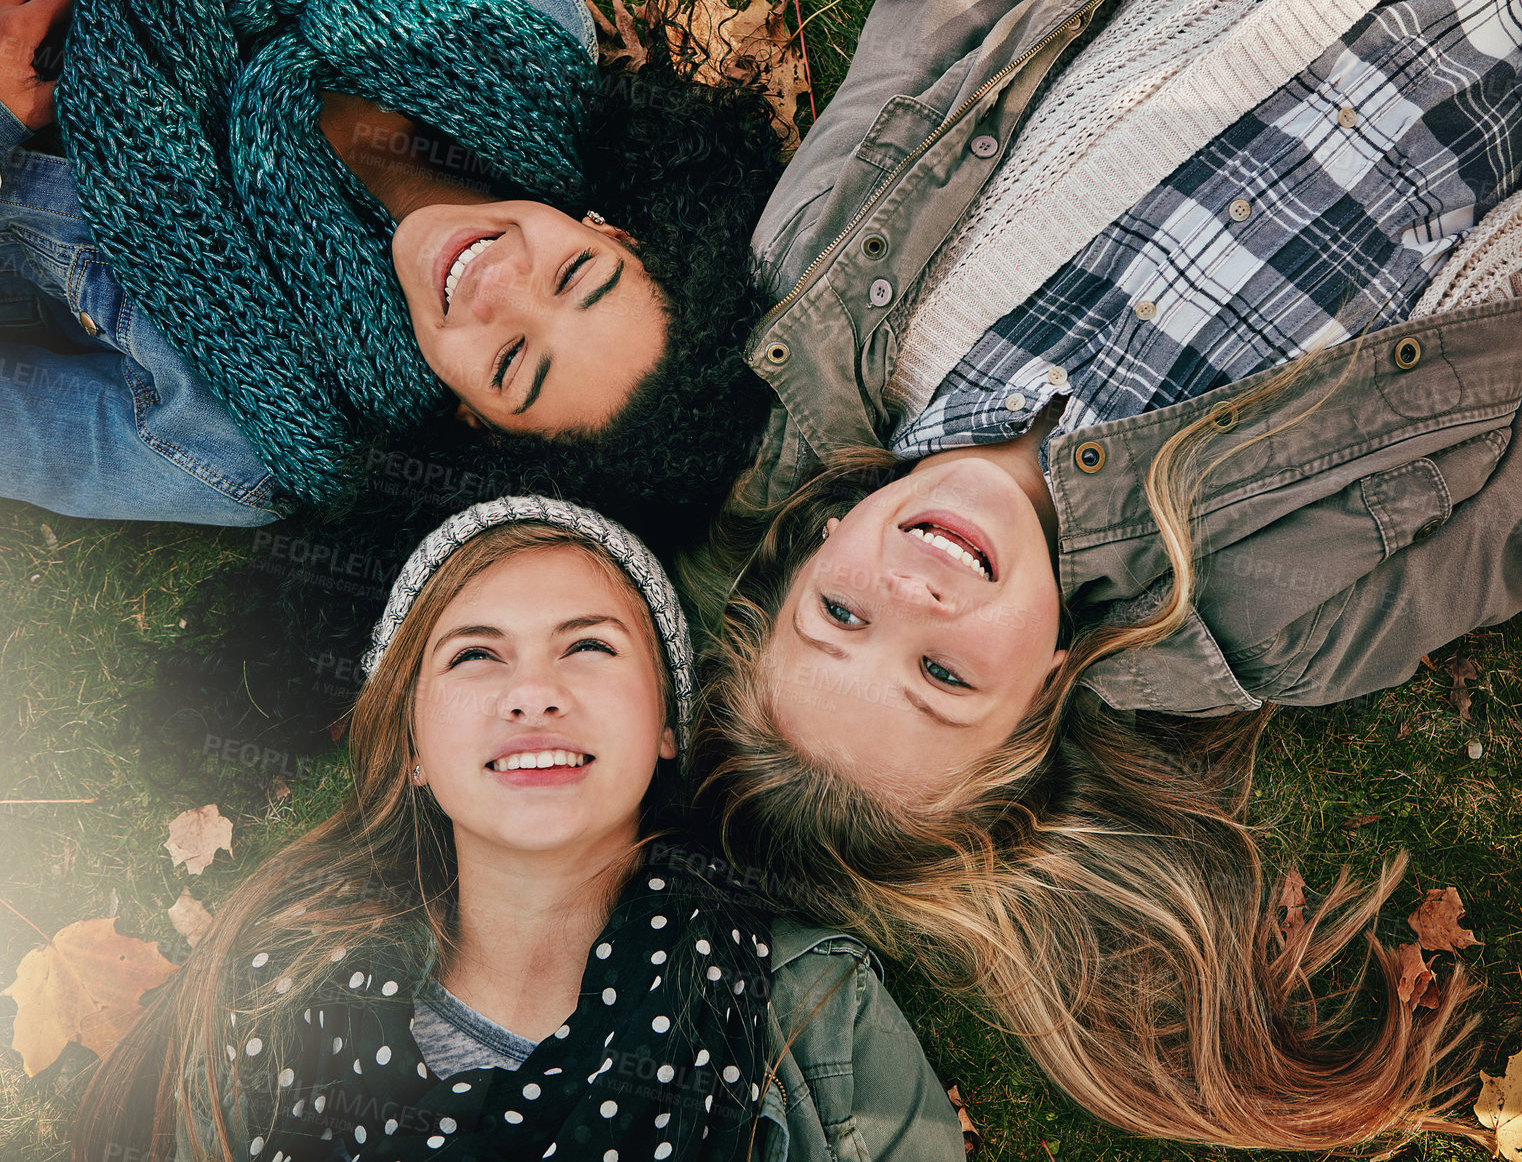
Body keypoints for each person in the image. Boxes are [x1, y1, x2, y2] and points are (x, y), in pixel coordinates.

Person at [685, 0, 1522, 1149]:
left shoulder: (826, 283)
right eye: (941, 677)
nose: (912, 592)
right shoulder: (1277, 625)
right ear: (1041, 699)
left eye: (838, 614)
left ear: (815, 538)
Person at [71, 495, 966, 1162]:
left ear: (666, 725)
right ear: (414, 745)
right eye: (474, 654)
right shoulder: (264, 993)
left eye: (589, 646)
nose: (534, 691)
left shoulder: (818, 1014)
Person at [0, 0, 776, 527]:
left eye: (511, 362)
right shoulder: (510, 23)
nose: (500, 285)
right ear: (615, 232)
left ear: (478, 427)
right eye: (575, 275)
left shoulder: (235, 443)